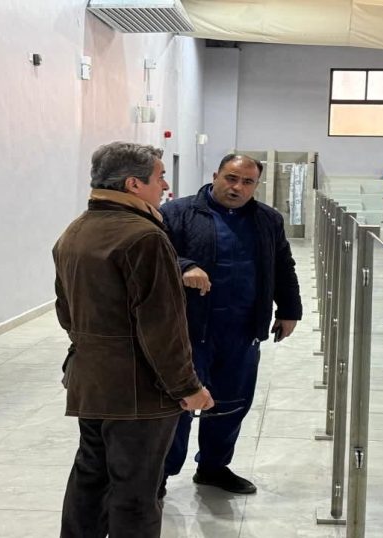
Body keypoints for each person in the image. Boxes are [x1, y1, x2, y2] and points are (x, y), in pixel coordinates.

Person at [54, 141, 214, 538]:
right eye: (160, 177)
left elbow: (65, 312)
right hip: (138, 390)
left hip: (90, 380)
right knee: (136, 491)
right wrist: (187, 387)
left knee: (91, 478)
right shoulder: (144, 237)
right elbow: (162, 327)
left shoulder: (75, 231)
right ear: (133, 184)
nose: (165, 186)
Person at [160, 154, 302, 495]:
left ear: (256, 185)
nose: (237, 187)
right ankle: (158, 476)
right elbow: (155, 255)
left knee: (232, 403)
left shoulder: (267, 219)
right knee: (178, 406)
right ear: (216, 175)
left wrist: (290, 310)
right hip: (189, 330)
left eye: (247, 182)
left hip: (242, 330)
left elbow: (283, 265)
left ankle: (213, 467)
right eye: (231, 178)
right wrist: (184, 265)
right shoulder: (177, 213)